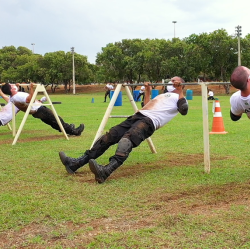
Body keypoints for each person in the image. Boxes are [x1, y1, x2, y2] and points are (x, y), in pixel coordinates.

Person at [59, 77, 189, 183]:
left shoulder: (180, 98)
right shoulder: (164, 95)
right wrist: (148, 91)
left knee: (126, 141)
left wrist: (180, 91)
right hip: (137, 116)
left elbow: (184, 110)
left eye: (174, 81)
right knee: (108, 137)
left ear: (180, 84)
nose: (171, 83)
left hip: (149, 122)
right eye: (171, 81)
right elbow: (146, 105)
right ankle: (76, 163)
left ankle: (105, 171)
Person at [0, 83, 84, 135]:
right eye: (11, 85)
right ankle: (74, 131)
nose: (13, 85)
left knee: (53, 122)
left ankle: (68, 129)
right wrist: (32, 88)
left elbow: (18, 95)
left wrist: (17, 86)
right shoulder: (17, 96)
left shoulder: (12, 97)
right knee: (57, 120)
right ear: (11, 89)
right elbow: (30, 99)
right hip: (39, 109)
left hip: (37, 112)